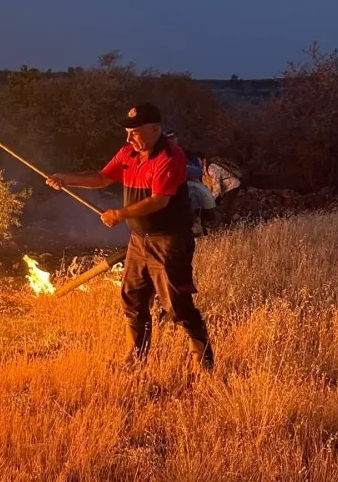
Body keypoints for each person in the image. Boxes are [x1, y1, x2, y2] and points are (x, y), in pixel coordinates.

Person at [45, 103, 214, 374]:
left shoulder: (170, 157)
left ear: (154, 129)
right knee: (133, 299)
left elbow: (159, 201)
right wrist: (66, 179)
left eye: (135, 132)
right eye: (127, 132)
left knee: (177, 306)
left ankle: (203, 363)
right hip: (139, 240)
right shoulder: (128, 153)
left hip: (169, 241)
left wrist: (120, 214)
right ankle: (136, 359)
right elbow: (101, 178)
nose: (128, 138)